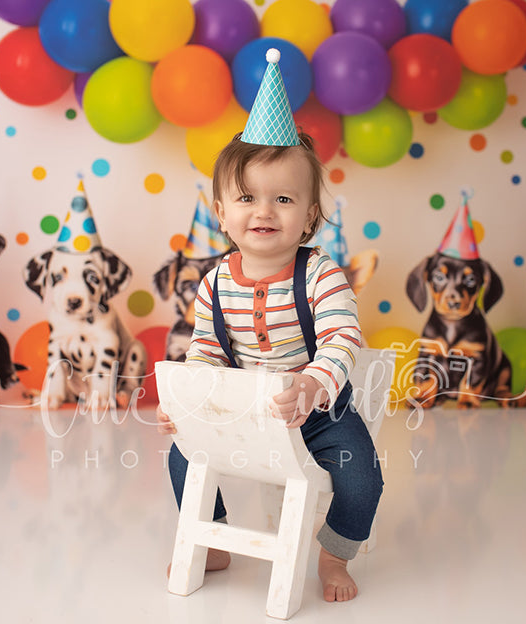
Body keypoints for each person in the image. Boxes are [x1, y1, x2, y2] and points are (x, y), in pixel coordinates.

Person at [157, 49, 383, 603]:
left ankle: (334, 553)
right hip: (245, 406)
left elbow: (341, 339)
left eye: (283, 199)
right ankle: (212, 541)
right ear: (221, 211)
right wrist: (190, 401)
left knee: (362, 475)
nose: (265, 211)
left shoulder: (321, 274)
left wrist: (311, 384)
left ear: (308, 215)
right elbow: (207, 352)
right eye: (247, 198)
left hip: (317, 412)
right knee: (182, 453)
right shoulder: (214, 283)